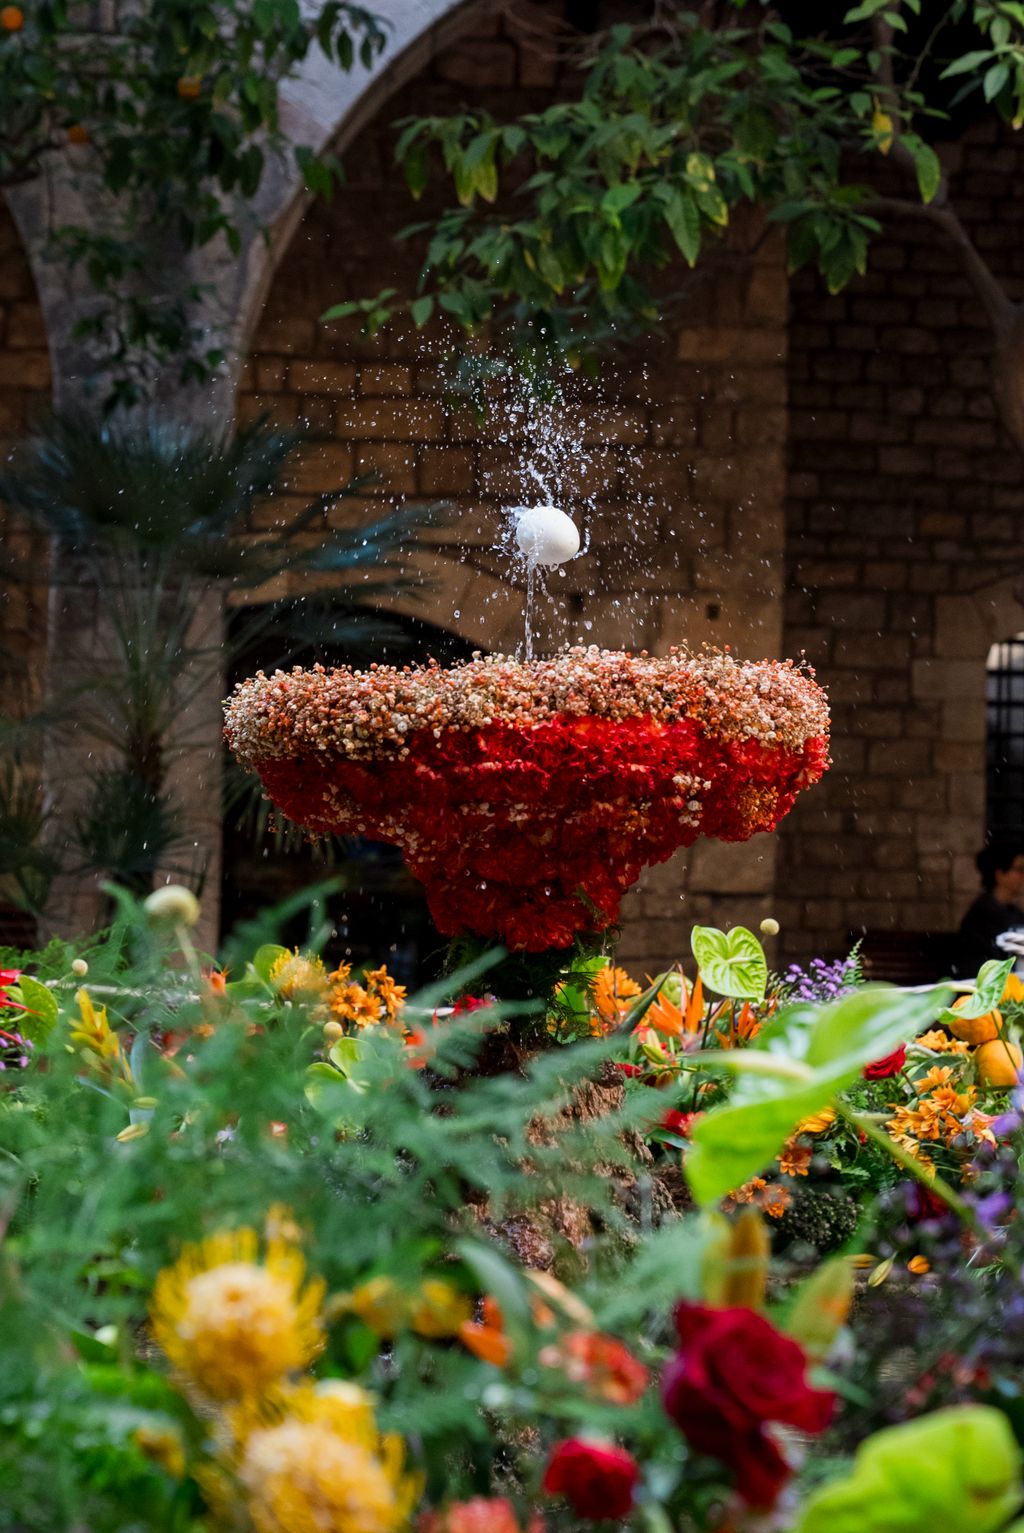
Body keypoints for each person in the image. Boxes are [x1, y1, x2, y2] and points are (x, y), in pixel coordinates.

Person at [956, 839, 1024, 977]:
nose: (1023, 875)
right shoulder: (983, 914)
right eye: (1019, 869)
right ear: (1000, 874)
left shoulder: (1012, 912)